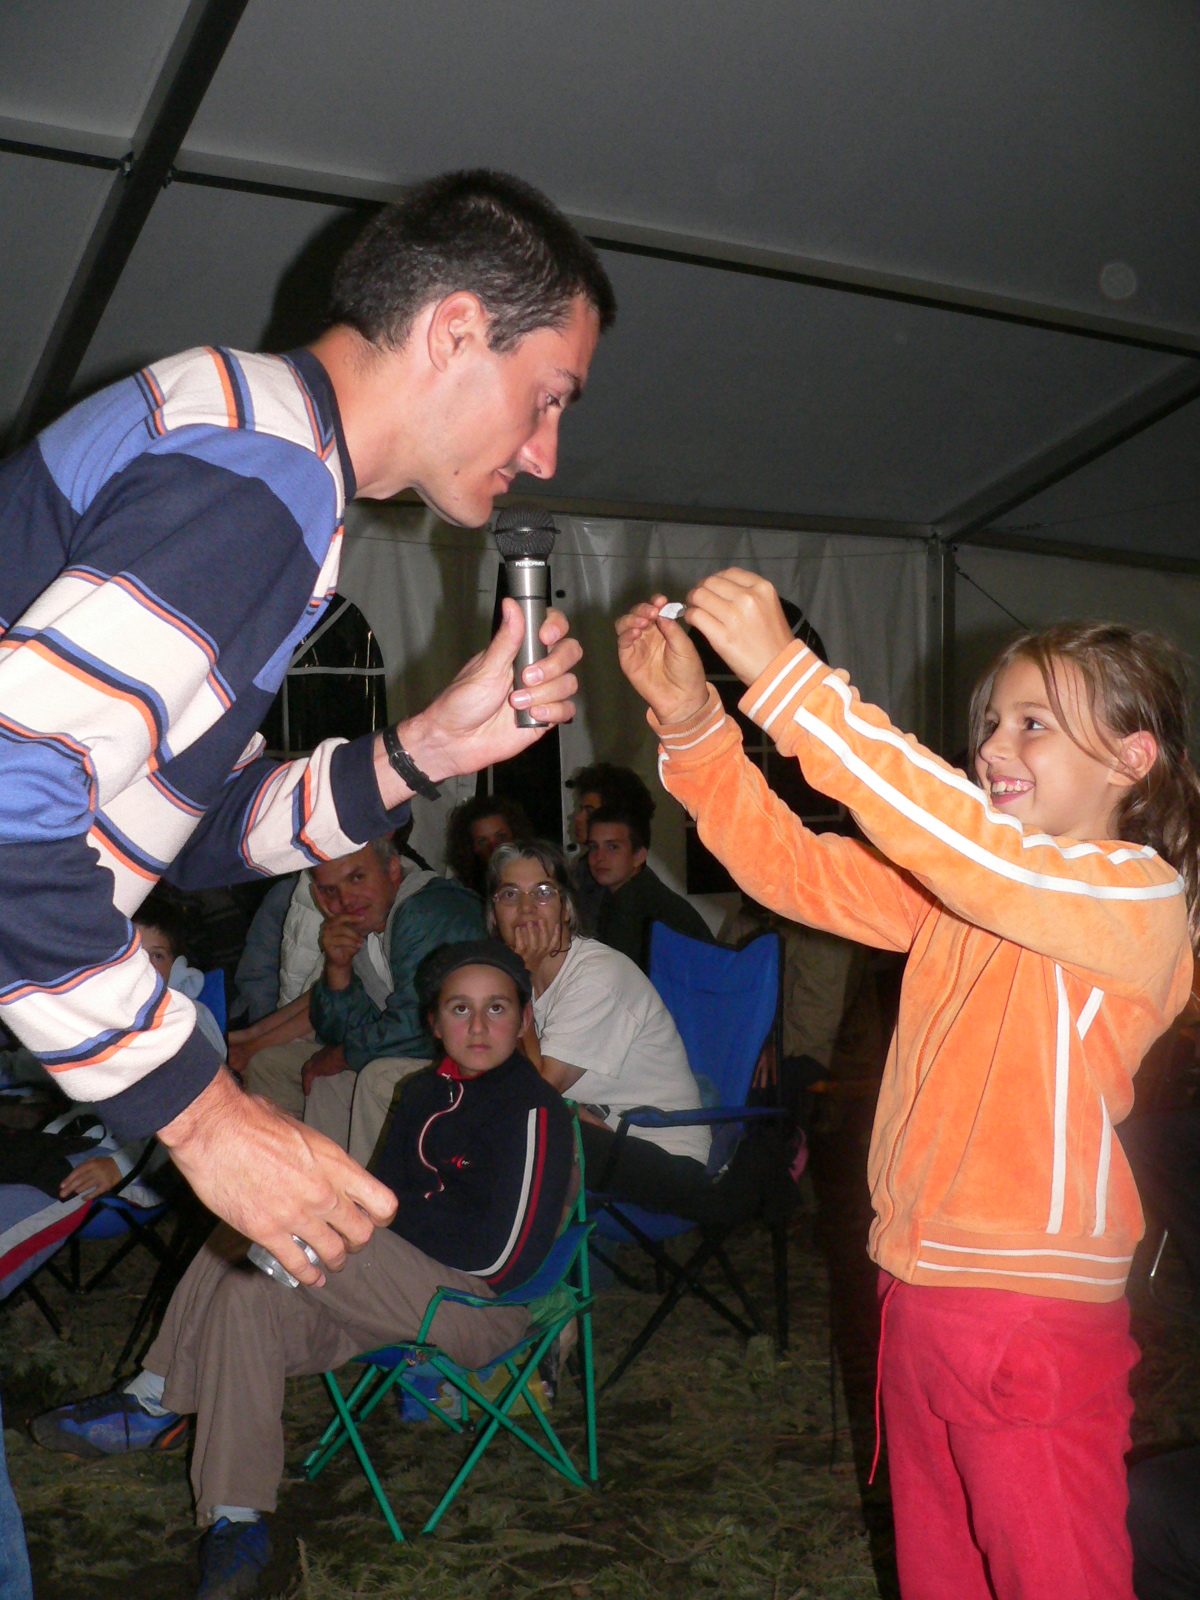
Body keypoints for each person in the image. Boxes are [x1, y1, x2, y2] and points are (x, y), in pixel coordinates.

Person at [0, 168, 612, 1581]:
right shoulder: (261, 476)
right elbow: (14, 805)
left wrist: (417, 752)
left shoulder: (260, 447)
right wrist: (203, 1115)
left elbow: (175, 820)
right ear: (455, 330)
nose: (546, 453)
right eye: (549, 395)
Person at [616, 575, 1199, 1600]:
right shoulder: (967, 892)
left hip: (1026, 1316)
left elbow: (958, 836)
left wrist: (789, 679)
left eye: (1034, 723)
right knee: (943, 1575)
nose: (994, 746)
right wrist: (695, 721)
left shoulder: (1135, 899)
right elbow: (793, 868)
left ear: (1132, 757)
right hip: (918, 1293)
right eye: (991, 723)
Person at [31, 939, 575, 1599]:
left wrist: (373, 1228)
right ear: (435, 1022)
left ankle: (156, 1397)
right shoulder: (421, 1092)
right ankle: (235, 1518)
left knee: (270, 1212)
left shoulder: (533, 1108)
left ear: (523, 1020)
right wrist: (368, 1227)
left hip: (474, 1307)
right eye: (460, 1008)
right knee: (246, 1293)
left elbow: (503, 1256)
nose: (479, 1025)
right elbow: (383, 1201)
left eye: (497, 1008)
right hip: (379, 1295)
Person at [487, 839, 734, 1224]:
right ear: (493, 914)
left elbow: (536, 1093)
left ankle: (500, 1256)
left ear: (566, 908)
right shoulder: (509, 977)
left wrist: (517, 981)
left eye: (543, 892)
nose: (526, 907)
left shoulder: (597, 976)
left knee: (515, 1127)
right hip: (598, 1135)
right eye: (509, 894)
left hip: (664, 1156)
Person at [242, 838, 482, 1156]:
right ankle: (290, 1180)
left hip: (465, 1060)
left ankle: (348, 1185)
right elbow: (338, 1032)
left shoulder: (428, 910)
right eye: (330, 890)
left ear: (392, 869)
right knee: (269, 1065)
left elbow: (421, 1030)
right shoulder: (365, 927)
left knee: (348, 1077)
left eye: (356, 878)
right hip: (408, 1054)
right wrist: (338, 969)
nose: (345, 900)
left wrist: (341, 1056)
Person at [586, 803, 710, 969]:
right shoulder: (626, 895)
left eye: (612, 847)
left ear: (639, 856)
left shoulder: (645, 908)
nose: (599, 857)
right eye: (593, 847)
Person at [564, 761, 656, 931]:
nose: (577, 817)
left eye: (589, 811)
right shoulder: (585, 871)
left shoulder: (640, 900)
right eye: (580, 809)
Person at [444, 792, 532, 896]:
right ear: (471, 848)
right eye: (483, 842)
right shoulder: (465, 894)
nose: (494, 847)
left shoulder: (538, 874)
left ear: (515, 835)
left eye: (501, 837)